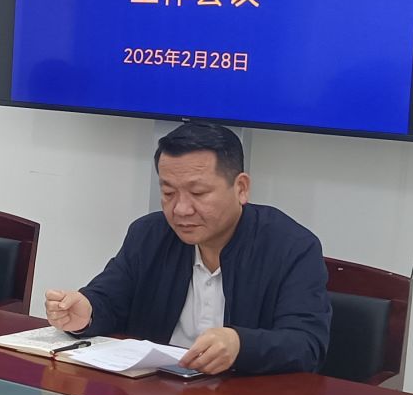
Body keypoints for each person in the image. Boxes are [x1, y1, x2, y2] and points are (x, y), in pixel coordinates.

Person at [43, 121, 330, 375]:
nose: (180, 209)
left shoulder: (292, 247)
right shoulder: (149, 235)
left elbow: (306, 344)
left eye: (198, 193)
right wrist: (86, 311)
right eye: (168, 192)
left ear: (241, 188)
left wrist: (240, 344)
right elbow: (110, 299)